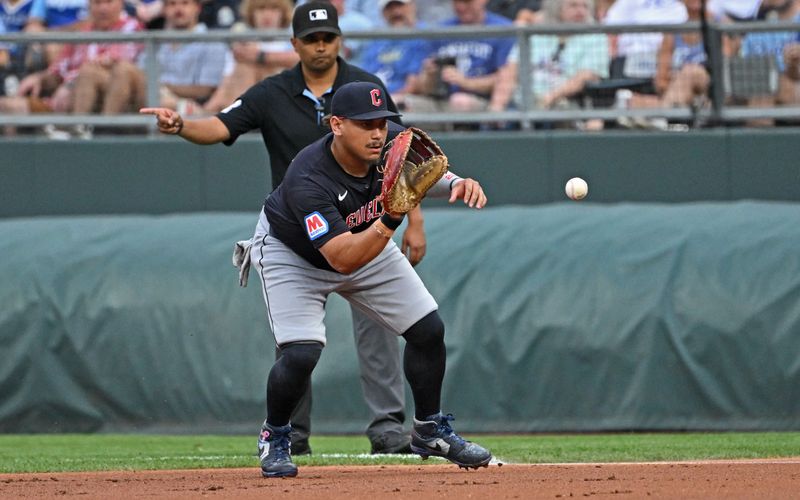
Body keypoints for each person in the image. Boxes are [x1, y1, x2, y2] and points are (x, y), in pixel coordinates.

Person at [141, 1, 425, 456]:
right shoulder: (272, 92)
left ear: (340, 40)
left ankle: (388, 429)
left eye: (327, 37)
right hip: (298, 234)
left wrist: (414, 223)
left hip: (364, 224)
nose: (320, 46)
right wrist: (181, 126)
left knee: (382, 326)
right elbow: (221, 126)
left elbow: (401, 159)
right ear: (294, 44)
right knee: (298, 343)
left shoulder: (366, 89)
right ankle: (291, 433)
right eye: (311, 39)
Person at [247, 80, 492, 477]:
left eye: (382, 122)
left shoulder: (389, 141)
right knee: (301, 352)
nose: (377, 132)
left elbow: (422, 170)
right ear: (337, 124)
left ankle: (430, 430)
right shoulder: (307, 177)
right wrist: (394, 217)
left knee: (427, 329)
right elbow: (342, 260)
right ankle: (275, 435)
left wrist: (457, 182)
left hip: (365, 239)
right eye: (365, 124)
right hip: (294, 255)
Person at [0, 0, 142, 138]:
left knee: (89, 73)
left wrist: (71, 85)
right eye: (97, 3)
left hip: (110, 99)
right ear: (89, 6)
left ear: (121, 4)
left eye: (108, 2)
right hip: (64, 100)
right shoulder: (82, 33)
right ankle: (11, 157)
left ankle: (80, 134)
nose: (103, 8)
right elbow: (59, 68)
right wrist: (40, 78)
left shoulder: (131, 27)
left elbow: (113, 62)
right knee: (8, 105)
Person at [489, 0, 609, 129]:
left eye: (585, 6)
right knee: (497, 120)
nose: (580, 11)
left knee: (558, 114)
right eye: (573, 5)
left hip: (565, 102)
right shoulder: (536, 34)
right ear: (556, 8)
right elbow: (510, 72)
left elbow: (586, 76)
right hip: (521, 101)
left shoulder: (595, 37)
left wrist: (549, 98)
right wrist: (497, 106)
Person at [403, 0, 514, 124]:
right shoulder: (440, 30)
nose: (460, 7)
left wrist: (465, 82)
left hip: (481, 101)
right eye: (456, 2)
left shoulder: (502, 29)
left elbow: (506, 79)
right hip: (440, 101)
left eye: (467, 2)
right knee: (398, 106)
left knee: (459, 101)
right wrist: (430, 75)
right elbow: (424, 88)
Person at [203, 0, 298, 114]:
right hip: (243, 100)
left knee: (249, 64)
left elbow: (302, 60)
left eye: (274, 9)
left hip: (283, 107)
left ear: (283, 13)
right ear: (251, 13)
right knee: (244, 65)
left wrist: (259, 56)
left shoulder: (292, 41)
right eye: (261, 9)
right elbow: (225, 86)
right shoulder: (242, 46)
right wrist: (204, 113)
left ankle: (239, 119)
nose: (267, 15)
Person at [356, 0, 428, 106]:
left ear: (412, 7)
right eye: (390, 8)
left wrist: (385, 100)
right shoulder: (377, 39)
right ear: (383, 13)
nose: (396, 12)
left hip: (405, 98)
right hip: (375, 97)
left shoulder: (423, 35)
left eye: (400, 6)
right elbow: (363, 77)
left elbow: (414, 84)